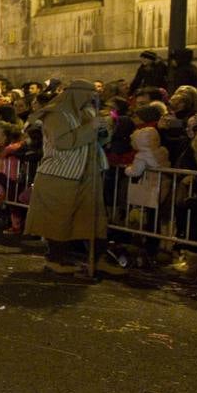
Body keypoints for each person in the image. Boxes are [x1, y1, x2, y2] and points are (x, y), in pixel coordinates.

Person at [25, 79, 123, 276]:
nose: (91, 99)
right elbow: (64, 142)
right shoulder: (55, 114)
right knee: (59, 219)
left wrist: (104, 130)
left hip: (88, 174)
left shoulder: (86, 113)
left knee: (93, 218)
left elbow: (97, 140)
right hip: (61, 174)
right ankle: (55, 258)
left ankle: (99, 258)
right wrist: (91, 127)